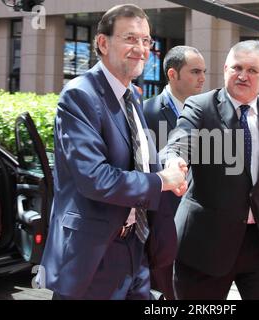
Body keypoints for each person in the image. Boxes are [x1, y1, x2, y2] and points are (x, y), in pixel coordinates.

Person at [38, 4, 187, 300]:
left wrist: (170, 166)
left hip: (135, 249)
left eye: (146, 41)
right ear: (103, 43)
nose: (141, 49)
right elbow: (95, 178)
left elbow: (140, 159)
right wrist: (161, 182)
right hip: (93, 258)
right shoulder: (81, 94)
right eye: (130, 38)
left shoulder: (131, 95)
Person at [164, 40, 259, 300]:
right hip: (205, 244)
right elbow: (181, 138)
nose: (243, 75)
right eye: (236, 67)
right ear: (225, 69)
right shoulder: (201, 107)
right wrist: (174, 160)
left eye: (252, 70)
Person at [143, 45, 206, 299]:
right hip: (161, 226)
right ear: (172, 74)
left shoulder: (208, 111)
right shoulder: (146, 112)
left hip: (200, 226)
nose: (202, 77)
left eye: (204, 71)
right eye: (195, 71)